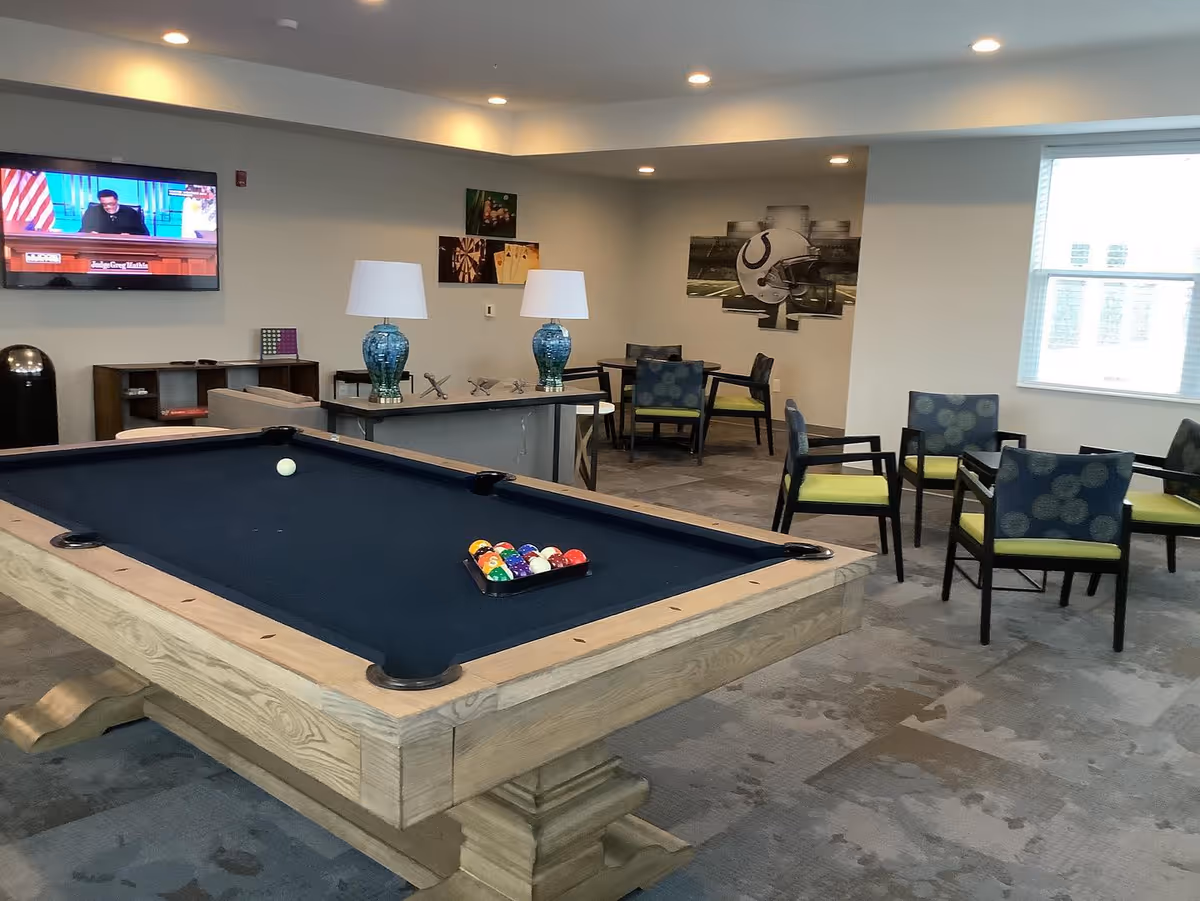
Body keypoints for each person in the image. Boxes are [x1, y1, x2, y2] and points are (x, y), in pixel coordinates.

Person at [79, 189, 149, 235]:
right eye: (105, 204)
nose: (108, 207)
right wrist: (90, 233)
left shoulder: (130, 212)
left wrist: (130, 235)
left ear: (117, 200)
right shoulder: (92, 212)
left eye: (112, 204)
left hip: (125, 246)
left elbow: (143, 233)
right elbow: (83, 230)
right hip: (98, 246)